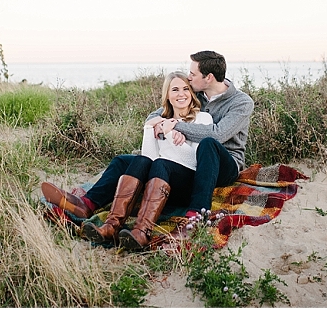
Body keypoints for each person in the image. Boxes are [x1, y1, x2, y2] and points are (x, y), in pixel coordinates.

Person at [41, 71, 212, 248]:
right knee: (136, 161)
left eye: (185, 89)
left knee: (161, 163)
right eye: (175, 89)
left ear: (192, 93)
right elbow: (149, 159)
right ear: (167, 95)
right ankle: (111, 225)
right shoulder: (161, 121)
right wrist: (149, 128)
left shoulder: (202, 118)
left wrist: (169, 133)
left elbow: (195, 161)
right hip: (160, 183)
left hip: (185, 185)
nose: (181, 94)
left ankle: (142, 231)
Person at [146, 51, 254, 219]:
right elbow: (153, 117)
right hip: (192, 162)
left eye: (192, 74)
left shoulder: (241, 102)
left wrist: (177, 126)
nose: (188, 78)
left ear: (208, 77)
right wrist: (166, 127)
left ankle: (198, 212)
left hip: (226, 165)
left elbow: (218, 135)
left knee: (209, 143)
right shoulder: (194, 94)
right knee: (129, 161)